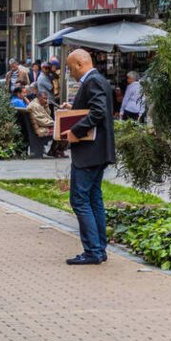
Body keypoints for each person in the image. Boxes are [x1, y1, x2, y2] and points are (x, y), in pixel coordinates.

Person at [60, 49, 116, 265]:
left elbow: (98, 112)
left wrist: (76, 131)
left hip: (90, 153)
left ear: (80, 64)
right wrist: (73, 109)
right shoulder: (97, 80)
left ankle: (93, 251)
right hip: (97, 152)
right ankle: (98, 249)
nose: (70, 72)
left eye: (70, 67)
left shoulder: (92, 81)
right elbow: (93, 109)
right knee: (93, 199)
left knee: (79, 199)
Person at [26, 88, 55, 159]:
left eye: (47, 99)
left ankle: (55, 150)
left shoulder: (39, 104)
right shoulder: (35, 106)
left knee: (61, 129)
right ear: (39, 98)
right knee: (62, 130)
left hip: (39, 127)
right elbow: (42, 121)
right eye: (44, 98)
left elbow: (47, 115)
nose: (46, 100)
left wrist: (46, 106)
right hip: (40, 129)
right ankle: (56, 151)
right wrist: (55, 123)